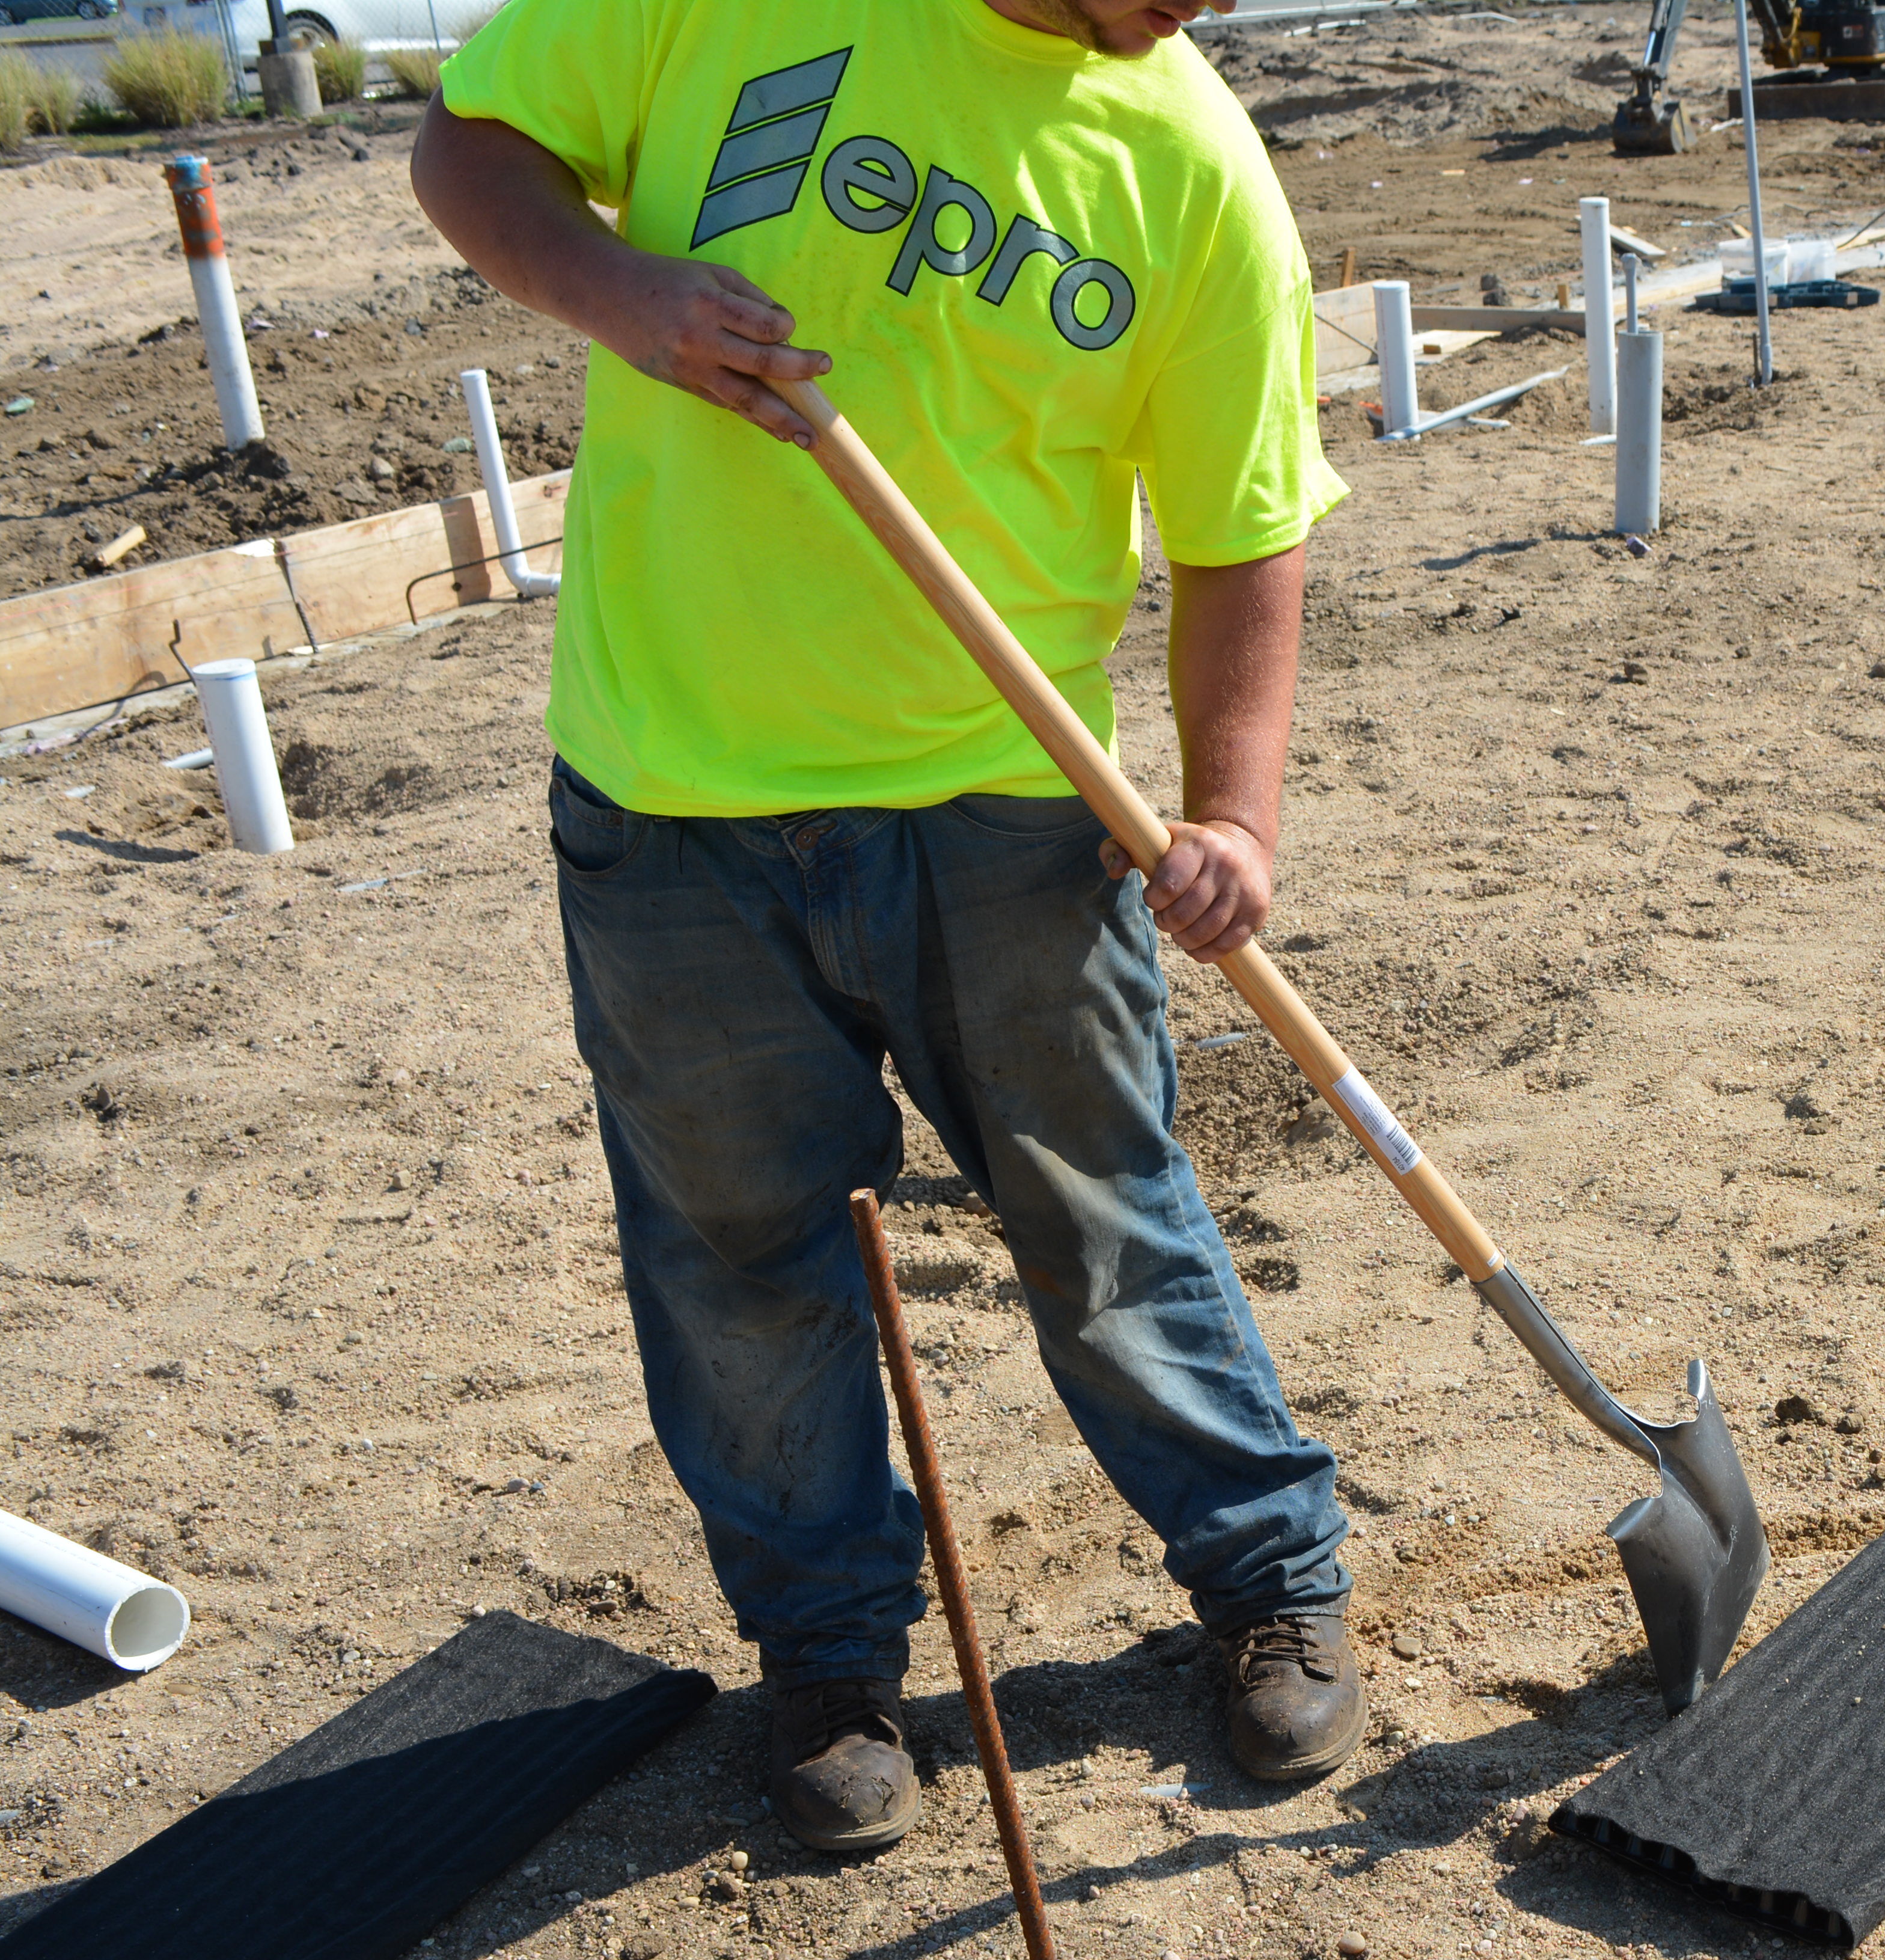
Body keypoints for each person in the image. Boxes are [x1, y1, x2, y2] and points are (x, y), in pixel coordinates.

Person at [412, 0, 1367, 1852]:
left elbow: (1245, 529)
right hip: (668, 796)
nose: (1204, 6)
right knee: (740, 1258)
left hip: (1006, 805)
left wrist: (1234, 809)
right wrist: (624, 294)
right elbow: (471, 145)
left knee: (1101, 1212)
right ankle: (832, 1663)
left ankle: (1267, 1572)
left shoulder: (1192, 171)